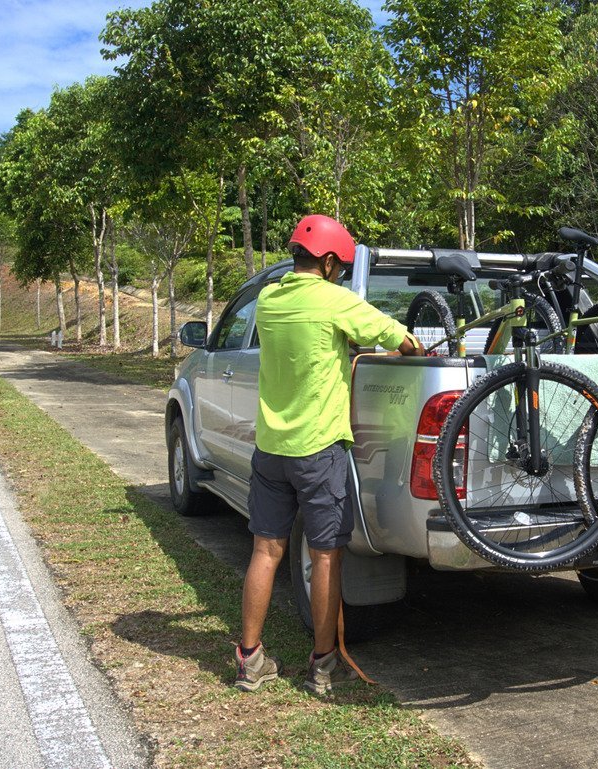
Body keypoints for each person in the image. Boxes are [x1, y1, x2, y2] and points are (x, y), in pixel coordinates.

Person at [234, 214, 424, 695]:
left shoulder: (268, 299)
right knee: (324, 558)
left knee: (265, 550)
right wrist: (407, 347)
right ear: (330, 262)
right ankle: (322, 666)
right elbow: (402, 341)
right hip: (319, 451)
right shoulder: (336, 300)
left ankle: (249, 659)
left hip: (270, 448)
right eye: (340, 267)